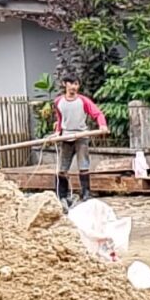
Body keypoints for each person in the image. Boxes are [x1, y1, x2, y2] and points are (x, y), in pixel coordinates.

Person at [53, 74, 108, 204]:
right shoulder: (58, 102)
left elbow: (97, 113)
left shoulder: (83, 101)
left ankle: (86, 193)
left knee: (83, 165)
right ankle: (62, 195)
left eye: (76, 84)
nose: (74, 87)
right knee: (62, 168)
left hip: (81, 135)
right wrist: (57, 132)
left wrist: (102, 125)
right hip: (66, 136)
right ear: (64, 84)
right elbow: (60, 119)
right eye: (71, 84)